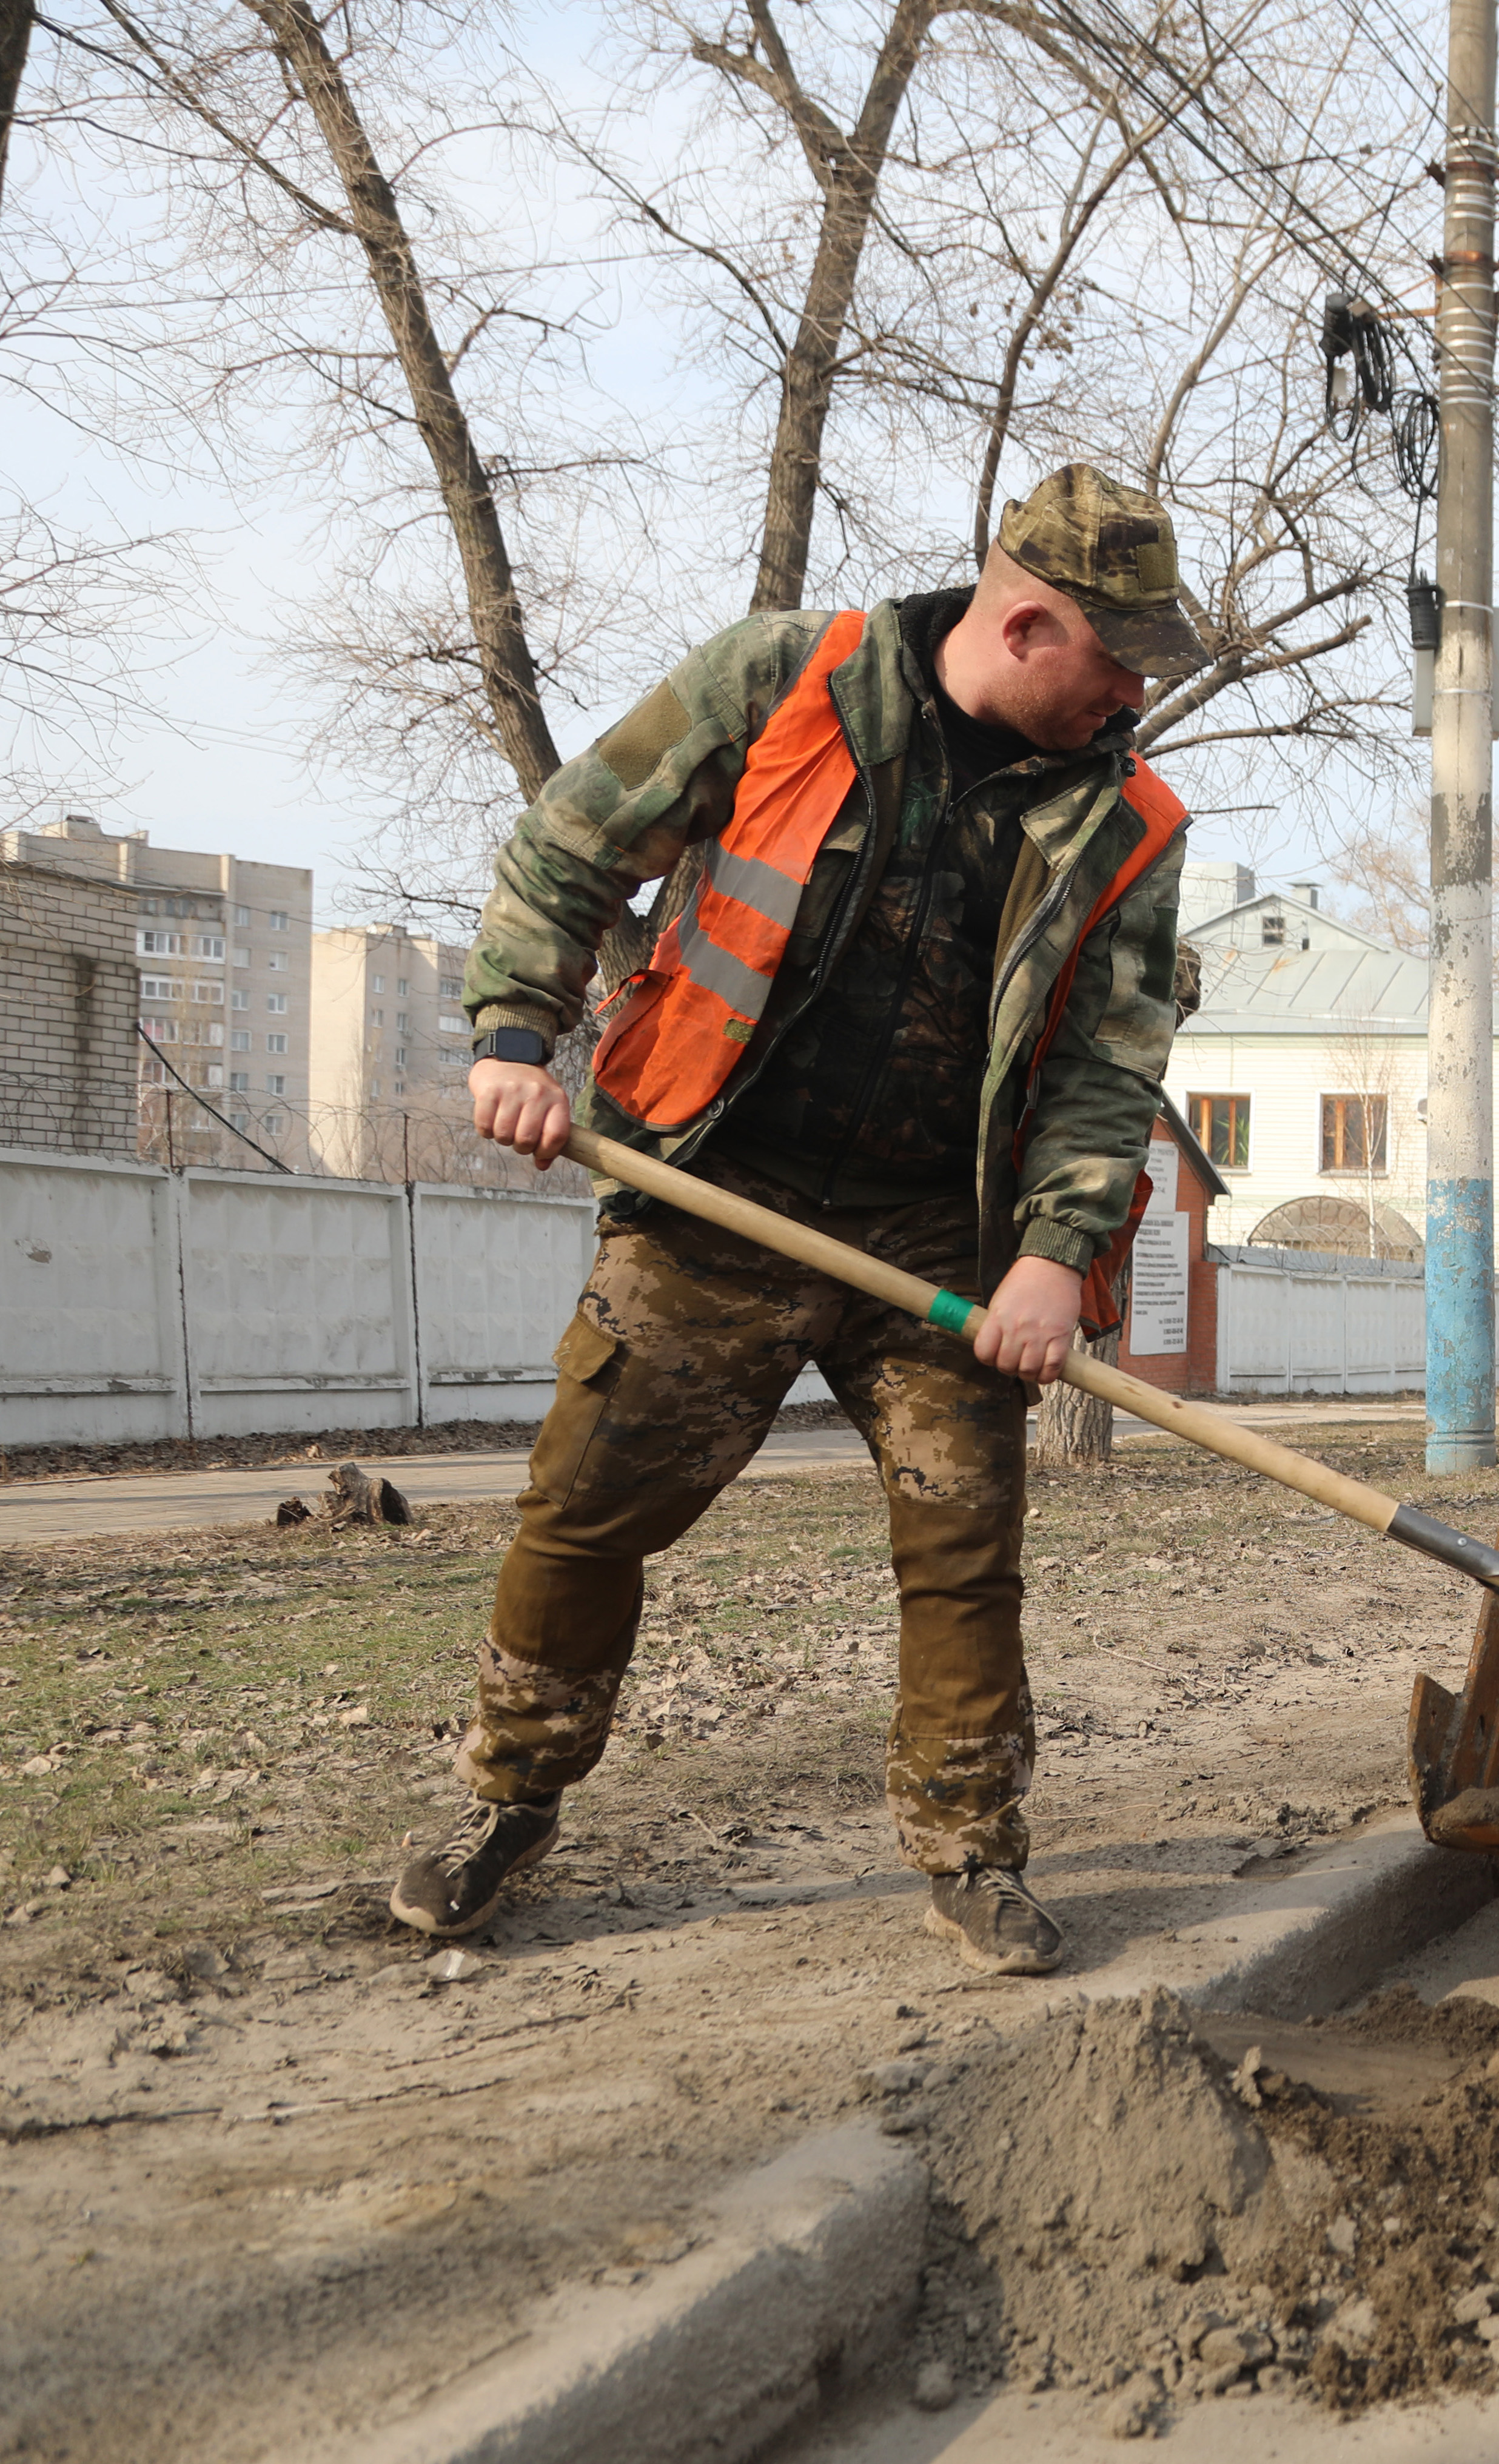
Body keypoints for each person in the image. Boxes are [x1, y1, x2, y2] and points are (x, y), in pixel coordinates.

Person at [386, 464, 1206, 1977]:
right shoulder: (785, 681)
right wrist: (513, 1031)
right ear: (1028, 623)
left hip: (937, 1241)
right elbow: (575, 842)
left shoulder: (1128, 825)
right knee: (584, 1515)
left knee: (965, 1549)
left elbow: (1106, 1068)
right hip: (718, 1197)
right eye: (1119, 660)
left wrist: (1051, 1255)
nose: (1131, 697)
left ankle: (972, 1850)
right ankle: (507, 1800)